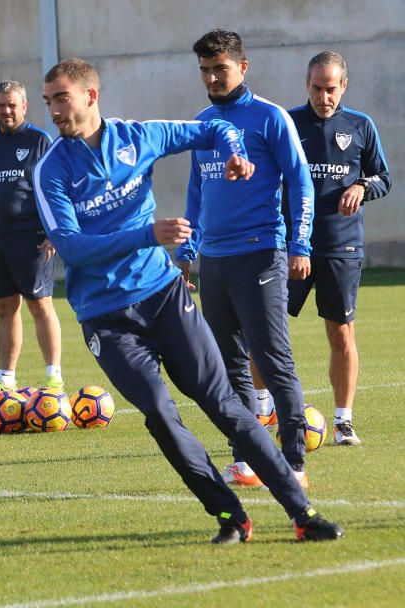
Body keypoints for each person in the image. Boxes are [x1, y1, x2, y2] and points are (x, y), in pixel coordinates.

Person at [34, 57, 342, 543]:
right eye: (48, 100)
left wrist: (237, 152)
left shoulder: (140, 136)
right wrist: (147, 234)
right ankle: (230, 516)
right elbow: (71, 249)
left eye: (60, 98)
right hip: (106, 319)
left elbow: (215, 129)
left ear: (91, 96)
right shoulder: (51, 169)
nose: (52, 109)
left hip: (164, 296)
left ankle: (302, 513)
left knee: (223, 403)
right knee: (159, 413)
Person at [174, 30, 314, 489]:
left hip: (261, 255)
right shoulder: (201, 123)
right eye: (205, 71)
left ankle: (293, 461)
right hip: (214, 259)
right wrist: (187, 250)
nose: (213, 77)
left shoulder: (270, 118)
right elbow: (197, 190)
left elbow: (301, 183)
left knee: (273, 360)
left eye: (221, 68)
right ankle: (246, 458)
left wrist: (300, 244)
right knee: (228, 364)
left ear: (243, 67)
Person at [280, 51, 392, 445]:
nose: (323, 97)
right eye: (316, 88)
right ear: (306, 84)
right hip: (291, 246)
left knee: (341, 334)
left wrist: (362, 186)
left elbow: (383, 176)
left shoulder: (360, 126)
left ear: (343, 86)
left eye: (331, 89)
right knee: (265, 331)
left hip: (341, 248)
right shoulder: (288, 124)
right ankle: (262, 412)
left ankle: (344, 421)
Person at [0, 80, 62, 392]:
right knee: (5, 310)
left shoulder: (39, 141)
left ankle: (53, 375)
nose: (6, 110)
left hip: (31, 239)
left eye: (12, 105)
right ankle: (6, 377)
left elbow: (56, 188)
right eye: (0, 105)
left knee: (40, 305)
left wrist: (54, 232)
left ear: (24, 106)